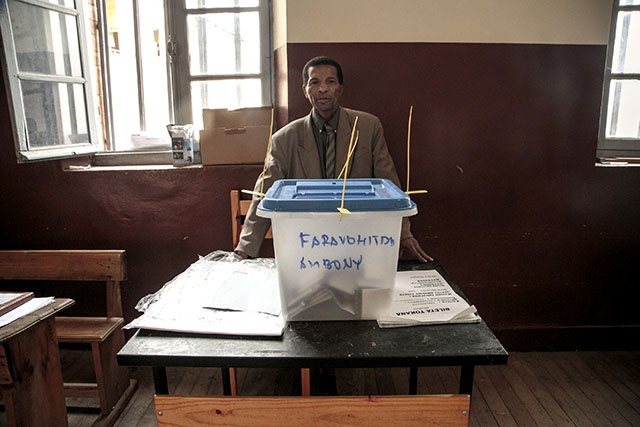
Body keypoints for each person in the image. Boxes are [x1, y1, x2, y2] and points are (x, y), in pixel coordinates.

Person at [235, 56, 431, 262]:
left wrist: (403, 233)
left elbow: (388, 184)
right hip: (307, 243)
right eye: (314, 82)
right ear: (305, 90)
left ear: (340, 88)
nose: (322, 89)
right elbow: (264, 193)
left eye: (330, 81)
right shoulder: (284, 139)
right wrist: (245, 249)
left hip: (359, 240)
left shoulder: (368, 127)